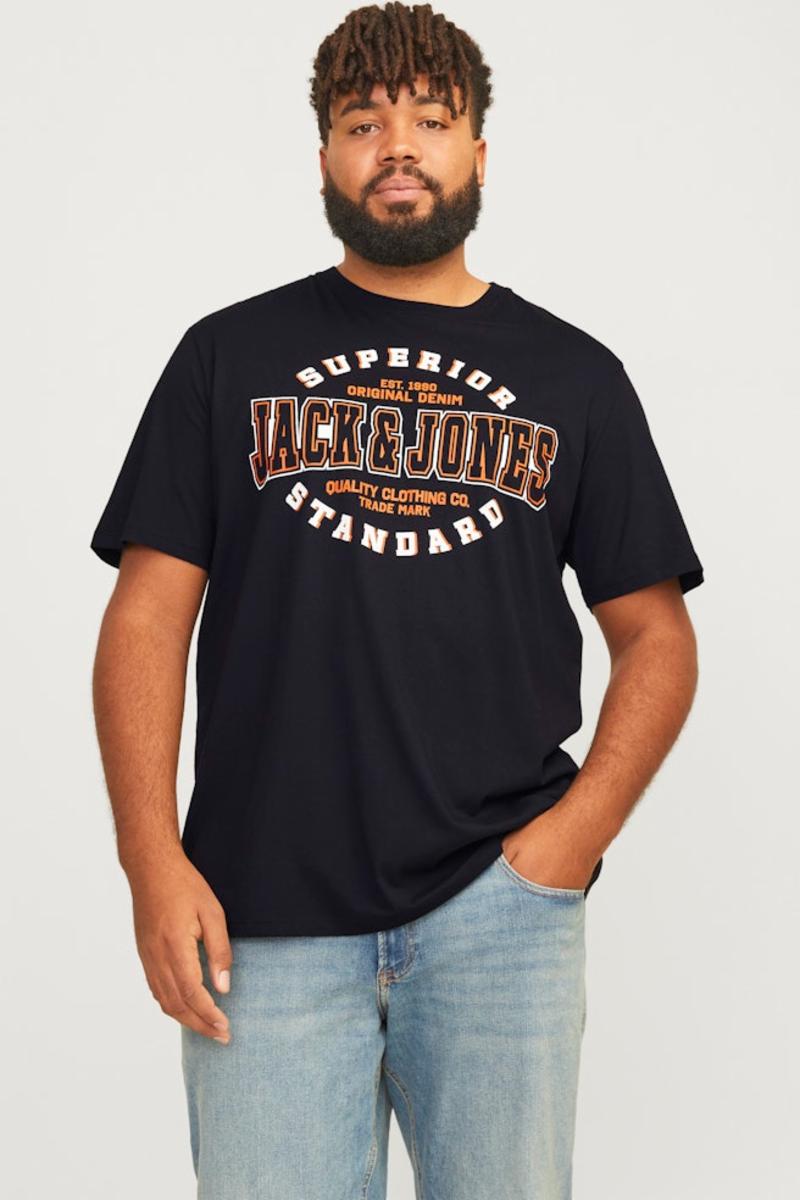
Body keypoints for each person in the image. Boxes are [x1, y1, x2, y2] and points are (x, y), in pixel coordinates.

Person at [89, 3, 704, 1196]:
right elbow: (147, 618)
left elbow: (654, 636)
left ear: (479, 151)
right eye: (363, 122)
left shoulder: (574, 376)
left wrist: (566, 845)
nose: (397, 146)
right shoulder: (226, 357)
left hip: (498, 915)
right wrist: (149, 860)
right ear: (324, 156)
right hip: (259, 913)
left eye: (430, 118)